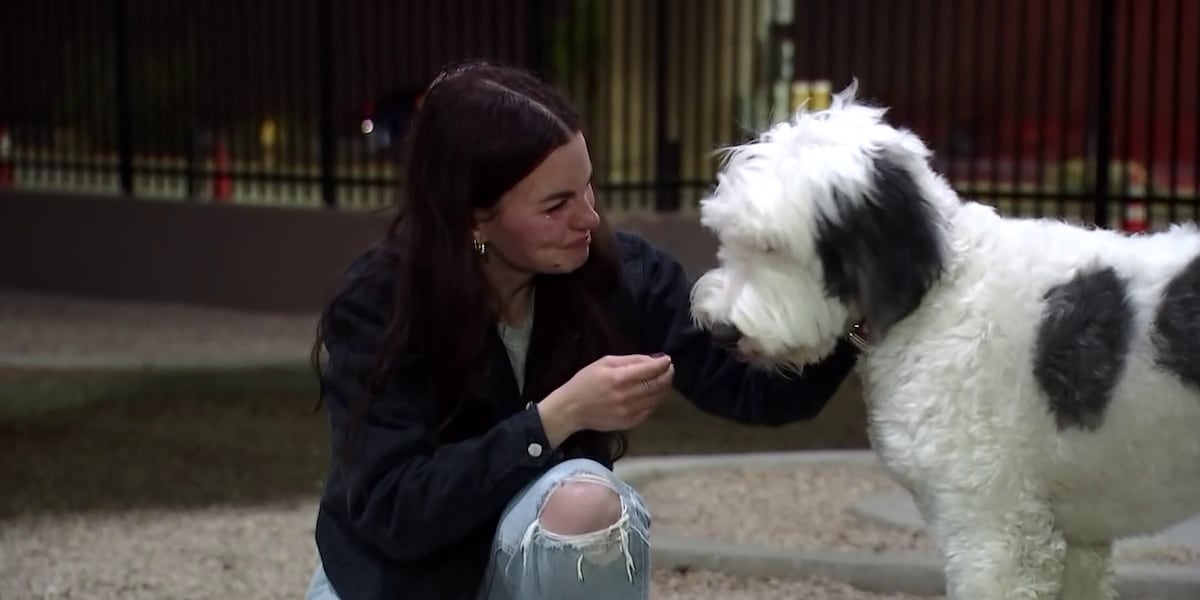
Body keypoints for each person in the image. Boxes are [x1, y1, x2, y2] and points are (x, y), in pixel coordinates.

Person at [303, 60, 861, 600]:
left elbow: (758, 391)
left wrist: (852, 307)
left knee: (586, 505)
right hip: (398, 584)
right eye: (557, 205)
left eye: (588, 188)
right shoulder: (381, 302)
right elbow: (394, 509)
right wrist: (556, 417)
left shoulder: (619, 275)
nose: (589, 218)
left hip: (531, 567)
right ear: (474, 216)